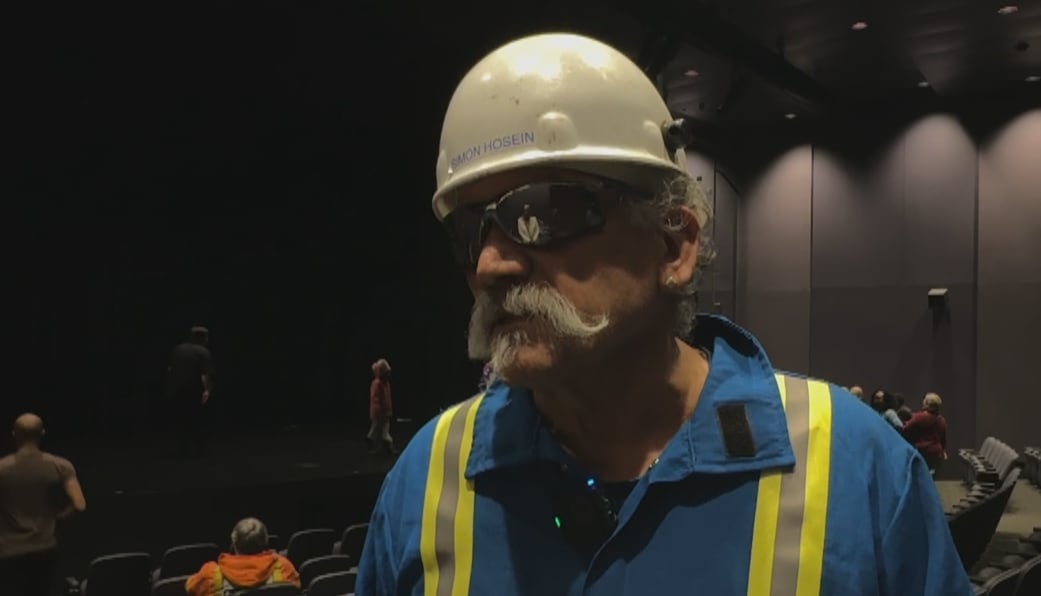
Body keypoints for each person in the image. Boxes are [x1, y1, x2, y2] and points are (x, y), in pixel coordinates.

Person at [356, 33, 971, 595]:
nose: (490, 265)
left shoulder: (855, 470)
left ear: (675, 245)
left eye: (540, 213)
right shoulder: (429, 476)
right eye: (470, 231)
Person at [0, 414, 87, 596]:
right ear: (43, 433)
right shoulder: (61, 466)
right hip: (45, 548)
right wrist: (58, 518)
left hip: (8, 551)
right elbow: (79, 505)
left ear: (14, 434)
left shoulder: (2, 468)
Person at [185, 517, 299, 595]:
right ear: (266, 542)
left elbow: (189, 587)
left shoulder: (211, 574)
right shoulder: (284, 568)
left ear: (234, 543)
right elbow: (295, 588)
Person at [165, 325, 215, 458]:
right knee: (198, 421)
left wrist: (170, 389)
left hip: (177, 390)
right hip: (193, 391)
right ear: (203, 338)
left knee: (181, 421)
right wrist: (208, 391)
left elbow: (170, 370)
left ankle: (182, 450)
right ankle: (200, 451)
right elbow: (205, 375)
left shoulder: (178, 349)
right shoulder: (202, 352)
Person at [902, 393, 948, 474]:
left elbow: (905, 428)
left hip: (923, 452)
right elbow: (943, 439)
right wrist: (943, 451)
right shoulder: (942, 420)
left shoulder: (919, 417)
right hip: (936, 453)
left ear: (926, 403)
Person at [367, 358, 397, 454]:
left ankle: (376, 446)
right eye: (387, 372)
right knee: (381, 430)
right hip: (379, 413)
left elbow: (387, 399)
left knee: (378, 430)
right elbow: (376, 399)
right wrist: (380, 411)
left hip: (384, 412)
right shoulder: (377, 384)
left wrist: (388, 411)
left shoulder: (386, 384)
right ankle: (386, 447)